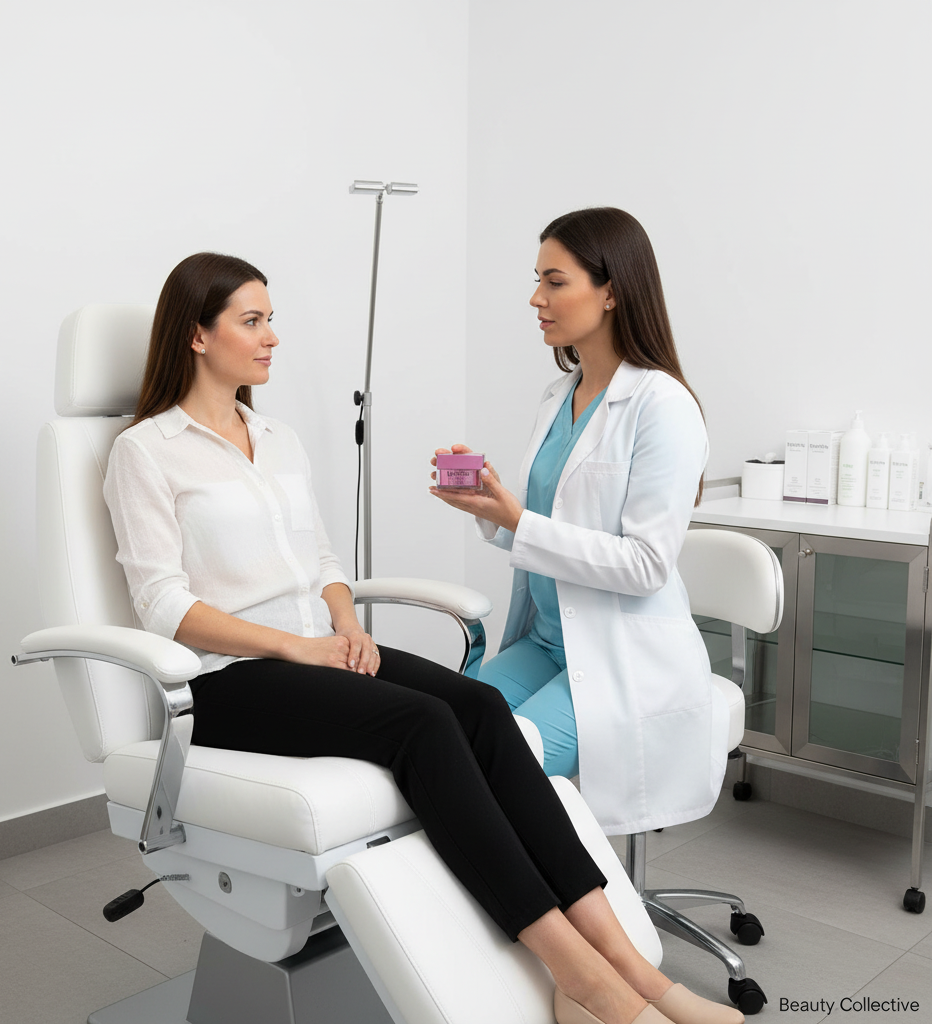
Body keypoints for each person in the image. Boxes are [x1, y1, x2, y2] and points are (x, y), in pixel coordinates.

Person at [104, 251, 741, 1024]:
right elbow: (163, 604)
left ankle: (640, 972)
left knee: (477, 707)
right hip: (229, 679)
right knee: (424, 725)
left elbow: (324, 561)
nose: (272, 337)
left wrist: (342, 622)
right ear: (197, 337)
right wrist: (295, 647)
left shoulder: (276, 438)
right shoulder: (145, 451)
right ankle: (581, 977)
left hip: (319, 651)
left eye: (271, 319)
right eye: (252, 321)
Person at [430, 207, 729, 838]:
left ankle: (542, 914)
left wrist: (521, 521)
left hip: (619, 654)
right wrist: (494, 510)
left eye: (555, 281)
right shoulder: (556, 396)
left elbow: (646, 566)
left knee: (501, 766)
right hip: (545, 642)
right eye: (537, 279)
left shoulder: (662, 406)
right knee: (439, 725)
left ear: (613, 290)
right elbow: (547, 524)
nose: (536, 298)